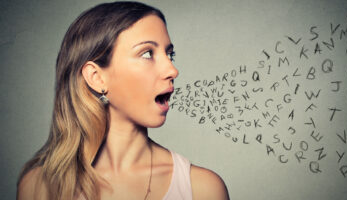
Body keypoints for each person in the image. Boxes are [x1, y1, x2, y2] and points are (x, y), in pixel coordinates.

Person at [16, 1, 229, 200]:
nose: (172, 70)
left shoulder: (202, 189)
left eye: (169, 55)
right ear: (97, 78)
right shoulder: (38, 187)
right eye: (147, 54)